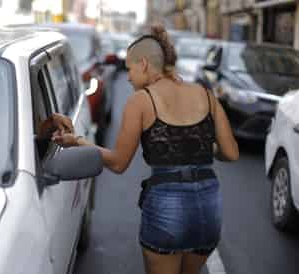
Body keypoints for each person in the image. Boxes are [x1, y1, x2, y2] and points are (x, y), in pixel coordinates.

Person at [52, 24, 239, 274]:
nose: (128, 76)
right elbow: (231, 153)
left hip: (167, 205)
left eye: (129, 68)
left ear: (143, 64)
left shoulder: (141, 100)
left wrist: (80, 142)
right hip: (208, 204)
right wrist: (201, 148)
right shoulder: (205, 94)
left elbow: (119, 163)